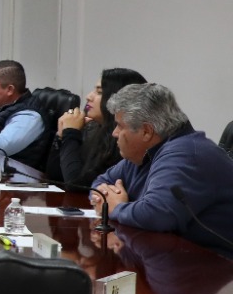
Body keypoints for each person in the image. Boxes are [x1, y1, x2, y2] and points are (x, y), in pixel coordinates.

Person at [90, 83, 233, 253]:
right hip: (169, 254)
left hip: (212, 262)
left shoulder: (186, 154)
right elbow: (100, 183)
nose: (114, 133)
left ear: (146, 131)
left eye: (120, 126)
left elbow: (157, 215)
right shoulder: (142, 153)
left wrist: (116, 207)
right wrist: (107, 199)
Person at [49, 67, 147, 189]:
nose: (89, 97)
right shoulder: (92, 128)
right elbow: (54, 177)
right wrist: (60, 137)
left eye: (99, 92)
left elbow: (77, 185)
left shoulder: (122, 139)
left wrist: (70, 133)